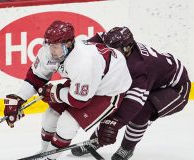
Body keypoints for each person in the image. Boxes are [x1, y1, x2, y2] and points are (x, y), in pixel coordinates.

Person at [3, 20, 132, 160]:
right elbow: (36, 76)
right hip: (88, 80)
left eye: (56, 46)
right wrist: (19, 98)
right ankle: (43, 153)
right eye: (50, 45)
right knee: (50, 116)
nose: (52, 51)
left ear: (69, 43)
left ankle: (49, 158)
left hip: (109, 88)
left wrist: (55, 93)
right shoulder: (49, 51)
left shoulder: (83, 61)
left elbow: (79, 101)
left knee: (67, 123)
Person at [71, 27, 191, 160]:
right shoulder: (112, 41)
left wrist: (114, 124)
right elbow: (88, 45)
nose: (110, 54)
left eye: (115, 51)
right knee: (114, 101)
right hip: (155, 78)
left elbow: (134, 103)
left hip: (176, 87)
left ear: (128, 48)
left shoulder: (140, 67)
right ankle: (95, 141)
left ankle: (127, 148)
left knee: (142, 111)